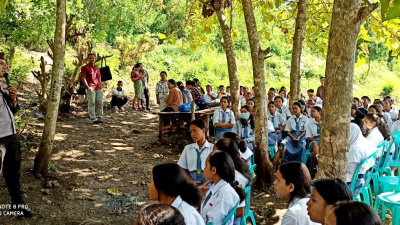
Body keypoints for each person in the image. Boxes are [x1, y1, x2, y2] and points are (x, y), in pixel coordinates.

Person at [0, 58, 34, 217]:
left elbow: (12, 111)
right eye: (1, 64)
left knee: (13, 172)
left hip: (10, 135)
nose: (4, 67)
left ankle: (17, 205)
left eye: (5, 64)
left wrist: (13, 99)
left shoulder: (3, 87)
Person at [201, 151, 245, 225]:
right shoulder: (215, 187)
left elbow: (214, 222)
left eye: (206, 165)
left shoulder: (224, 194)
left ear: (214, 170)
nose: (204, 169)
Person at [213, 139, 251, 225]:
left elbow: (240, 212)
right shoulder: (232, 170)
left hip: (232, 219)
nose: (211, 158)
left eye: (214, 154)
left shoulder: (235, 177)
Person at [177, 119, 214, 184]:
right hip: (192, 181)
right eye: (191, 131)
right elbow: (181, 167)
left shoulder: (212, 148)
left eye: (195, 131)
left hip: (208, 183)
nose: (192, 134)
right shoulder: (188, 148)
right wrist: (190, 181)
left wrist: (206, 183)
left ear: (203, 130)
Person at [348, 123, 376, 196]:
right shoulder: (363, 142)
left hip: (352, 184)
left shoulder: (354, 151)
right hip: (362, 177)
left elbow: (349, 173)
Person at [81, 53, 103, 124]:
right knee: (92, 103)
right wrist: (87, 87)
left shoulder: (96, 68)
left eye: (92, 58)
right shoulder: (84, 67)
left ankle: (100, 118)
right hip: (91, 87)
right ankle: (93, 119)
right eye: (90, 58)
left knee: (99, 103)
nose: (91, 59)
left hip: (98, 87)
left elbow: (99, 77)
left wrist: (100, 85)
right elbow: (83, 78)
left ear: (95, 59)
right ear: (87, 59)